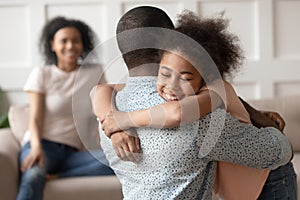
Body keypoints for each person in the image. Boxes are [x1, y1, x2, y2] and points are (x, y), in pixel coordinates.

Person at [91, 6, 293, 199]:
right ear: (169, 44)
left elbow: (101, 90)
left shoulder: (108, 118)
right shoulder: (198, 119)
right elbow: (277, 152)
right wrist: (275, 133)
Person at [17, 16, 114, 200]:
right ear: (52, 45)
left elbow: (101, 110)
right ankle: (48, 172)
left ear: (82, 44)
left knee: (116, 160)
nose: (70, 46)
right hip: (42, 145)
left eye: (75, 41)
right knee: (33, 175)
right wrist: (36, 147)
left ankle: (58, 176)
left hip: (72, 153)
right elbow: (35, 118)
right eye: (64, 41)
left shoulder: (94, 72)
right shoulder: (42, 74)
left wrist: (96, 139)